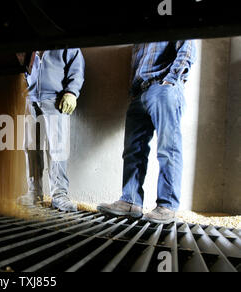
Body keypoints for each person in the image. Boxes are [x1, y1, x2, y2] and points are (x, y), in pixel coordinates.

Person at [98, 41, 197, 224]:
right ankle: (130, 202)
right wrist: (134, 94)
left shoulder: (172, 22)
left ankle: (167, 206)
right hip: (139, 93)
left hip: (163, 88)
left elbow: (188, 48)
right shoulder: (140, 38)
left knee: (168, 148)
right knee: (132, 151)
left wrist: (170, 80)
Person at [19, 49, 85, 212]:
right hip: (31, 100)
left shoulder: (68, 46)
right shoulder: (30, 46)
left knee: (58, 149)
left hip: (56, 99)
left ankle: (59, 195)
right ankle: (35, 192)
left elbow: (77, 68)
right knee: (31, 147)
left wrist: (71, 92)